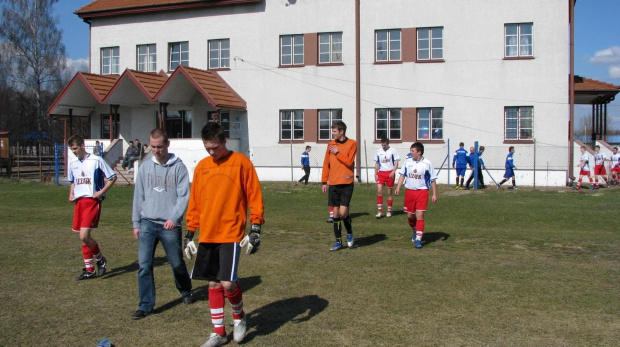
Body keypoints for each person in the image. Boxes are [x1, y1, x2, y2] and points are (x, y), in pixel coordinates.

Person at [185, 122, 264, 347]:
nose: (212, 152)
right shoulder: (202, 167)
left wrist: (256, 227)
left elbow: (254, 196)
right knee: (212, 285)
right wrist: (189, 233)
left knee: (228, 283)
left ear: (224, 142)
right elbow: (195, 202)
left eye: (215, 148)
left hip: (231, 232)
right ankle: (218, 332)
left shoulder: (241, 163)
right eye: (207, 148)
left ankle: (239, 317)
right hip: (207, 233)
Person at [131, 129, 194, 320]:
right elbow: (138, 196)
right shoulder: (145, 167)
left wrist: (173, 218)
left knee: (176, 263)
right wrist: (136, 222)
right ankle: (145, 305)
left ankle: (185, 290)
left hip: (169, 225)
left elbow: (184, 196)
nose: (156, 150)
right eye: (153, 146)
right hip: (147, 223)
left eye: (159, 146)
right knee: (144, 265)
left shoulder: (179, 168)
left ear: (167, 145)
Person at [67, 134, 117, 280]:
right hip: (79, 202)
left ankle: (100, 260)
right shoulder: (73, 164)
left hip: (92, 202)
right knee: (83, 237)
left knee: (84, 235)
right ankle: (90, 269)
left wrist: (101, 192)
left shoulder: (96, 160)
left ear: (82, 145)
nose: (74, 152)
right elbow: (72, 181)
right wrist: (71, 194)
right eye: (71, 149)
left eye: (75, 148)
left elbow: (112, 177)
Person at [321, 121, 357, 251]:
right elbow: (326, 164)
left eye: (334, 131)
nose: (332, 133)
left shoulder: (352, 143)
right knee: (335, 214)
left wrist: (337, 153)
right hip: (333, 183)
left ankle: (349, 232)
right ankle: (338, 242)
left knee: (343, 212)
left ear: (342, 132)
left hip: (347, 183)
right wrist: (324, 181)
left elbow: (349, 162)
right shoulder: (331, 144)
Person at [394, 142, 438, 249]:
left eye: (412, 151)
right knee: (410, 216)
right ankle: (415, 230)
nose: (411, 153)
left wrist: (434, 194)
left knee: (420, 215)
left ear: (419, 152)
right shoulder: (408, 162)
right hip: (410, 191)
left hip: (422, 192)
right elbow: (402, 175)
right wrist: (398, 187)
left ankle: (418, 239)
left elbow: (432, 179)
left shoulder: (427, 164)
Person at [374, 138, 401, 218]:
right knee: (379, 191)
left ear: (388, 143)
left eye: (385, 145)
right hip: (381, 173)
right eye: (382, 145)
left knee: (389, 193)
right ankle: (380, 211)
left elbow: (396, 162)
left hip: (390, 173)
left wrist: (393, 171)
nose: (383, 146)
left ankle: (389, 211)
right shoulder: (378, 151)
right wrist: (376, 173)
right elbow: (376, 163)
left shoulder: (393, 151)